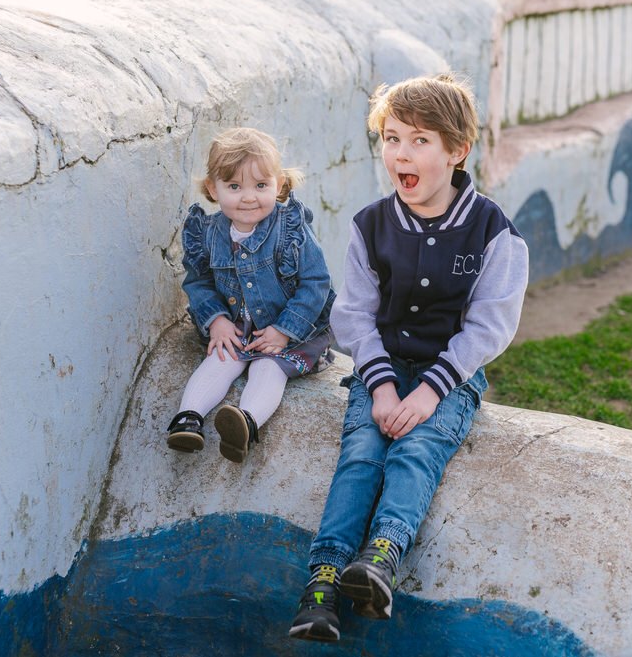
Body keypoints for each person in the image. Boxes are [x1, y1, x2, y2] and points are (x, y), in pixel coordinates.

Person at [288, 74, 529, 642]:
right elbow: (354, 315)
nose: (401, 153)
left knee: (417, 450)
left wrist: (428, 392)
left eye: (420, 140)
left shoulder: (493, 231)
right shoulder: (371, 225)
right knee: (361, 455)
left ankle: (381, 558)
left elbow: (489, 326)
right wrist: (379, 387)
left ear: (457, 151)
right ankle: (321, 585)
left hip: (449, 378)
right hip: (382, 368)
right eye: (392, 138)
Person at [167, 127, 336, 463]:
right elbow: (199, 283)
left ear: (279, 184)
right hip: (237, 326)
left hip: (289, 330)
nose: (248, 197)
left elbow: (316, 282)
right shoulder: (207, 233)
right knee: (221, 359)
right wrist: (216, 320)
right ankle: (188, 419)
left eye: (261, 185)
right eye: (234, 186)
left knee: (269, 369)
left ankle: (245, 423)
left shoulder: (290, 228)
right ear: (213, 188)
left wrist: (285, 330)